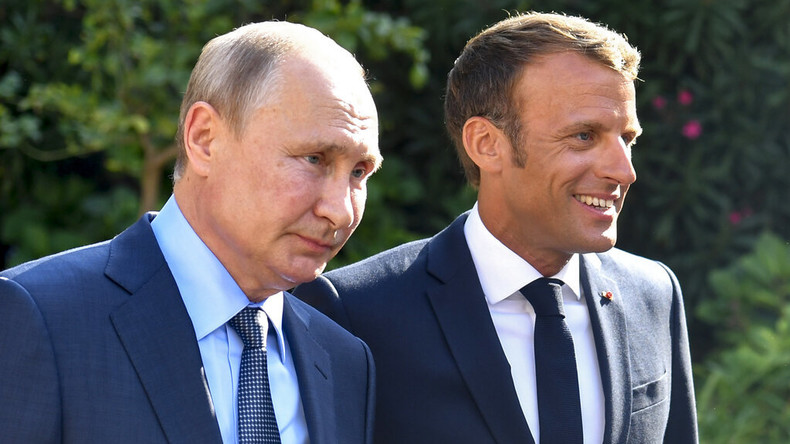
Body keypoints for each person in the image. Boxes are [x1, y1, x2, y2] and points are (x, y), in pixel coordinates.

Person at [294, 12, 698, 444]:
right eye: (584, 136)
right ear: (486, 144)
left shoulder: (654, 294)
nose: (624, 170)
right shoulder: (356, 313)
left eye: (627, 139)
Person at [0, 21, 381, 444]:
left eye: (359, 172)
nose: (340, 211)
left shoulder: (346, 363)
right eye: (314, 159)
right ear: (204, 139)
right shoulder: (41, 318)